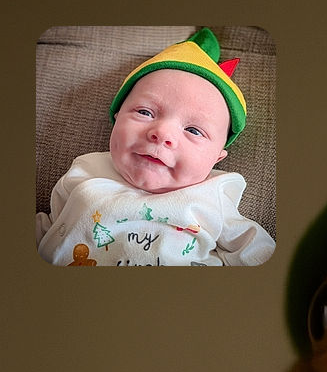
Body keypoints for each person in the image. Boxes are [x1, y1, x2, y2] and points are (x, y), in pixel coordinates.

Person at [36, 28, 275, 266]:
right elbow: (50, 226)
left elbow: (256, 253)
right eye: (145, 112)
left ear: (217, 159)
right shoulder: (86, 170)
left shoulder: (213, 196)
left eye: (193, 130)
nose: (162, 133)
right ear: (117, 117)